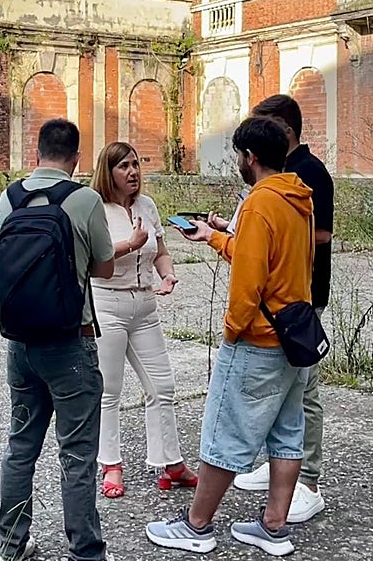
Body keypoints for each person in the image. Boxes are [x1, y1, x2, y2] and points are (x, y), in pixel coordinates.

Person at [146, 116, 314, 557]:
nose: (238, 163)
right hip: (293, 335)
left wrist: (233, 330)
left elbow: (250, 282)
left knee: (225, 432)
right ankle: (273, 526)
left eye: (239, 156)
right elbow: (268, 254)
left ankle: (197, 524)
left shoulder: (259, 203)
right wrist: (216, 238)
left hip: (256, 339)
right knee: (286, 432)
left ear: (249, 157)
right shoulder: (297, 197)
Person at [0, 119, 115, 561]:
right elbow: (103, 268)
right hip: (70, 346)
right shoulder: (85, 200)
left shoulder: (8, 199)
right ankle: (85, 551)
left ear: (37, 152)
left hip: (20, 345)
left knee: (21, 444)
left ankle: (12, 544)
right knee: (78, 453)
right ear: (77, 158)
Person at [224, 94, 335, 523]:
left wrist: (271, 237)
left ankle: (309, 480)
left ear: (286, 130)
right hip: (280, 300)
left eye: (267, 126)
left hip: (301, 301)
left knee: (305, 393)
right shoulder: (279, 173)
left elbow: (320, 232)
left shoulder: (309, 172)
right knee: (285, 393)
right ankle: (280, 469)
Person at [90, 141, 198, 497]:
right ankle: (111, 464)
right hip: (107, 303)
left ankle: (171, 464)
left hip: (145, 305)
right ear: (109, 172)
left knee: (162, 386)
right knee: (109, 391)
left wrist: (167, 275)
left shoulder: (148, 206)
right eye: (124, 166)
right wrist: (131, 244)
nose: (133, 172)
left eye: (136, 164)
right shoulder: (96, 209)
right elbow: (94, 261)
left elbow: (161, 252)